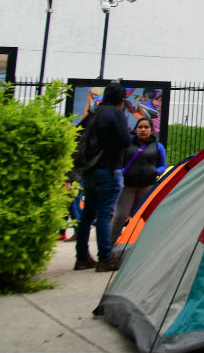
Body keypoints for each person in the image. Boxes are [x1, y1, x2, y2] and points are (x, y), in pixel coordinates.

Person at [74, 81, 128, 272]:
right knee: (105, 215)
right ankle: (105, 258)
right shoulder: (115, 113)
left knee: (87, 215)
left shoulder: (93, 114)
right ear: (121, 100)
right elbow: (124, 140)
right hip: (109, 169)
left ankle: (81, 257)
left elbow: (77, 135)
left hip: (90, 170)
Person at [110, 118, 167, 247]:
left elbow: (163, 165)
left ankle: (141, 246)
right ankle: (108, 247)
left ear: (152, 130)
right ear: (135, 129)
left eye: (146, 127)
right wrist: (123, 171)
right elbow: (118, 162)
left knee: (142, 218)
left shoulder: (158, 146)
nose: (143, 130)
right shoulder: (127, 145)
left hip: (147, 186)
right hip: (128, 186)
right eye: (140, 127)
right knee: (121, 216)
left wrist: (155, 171)